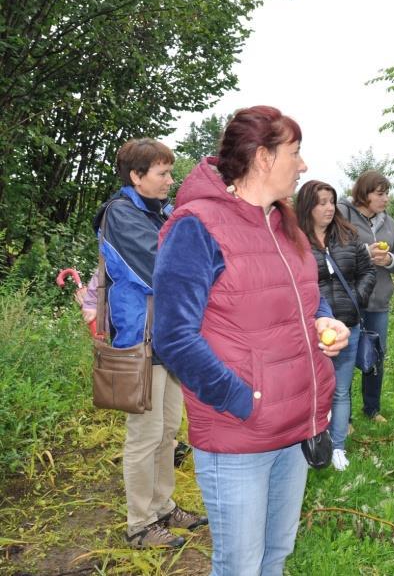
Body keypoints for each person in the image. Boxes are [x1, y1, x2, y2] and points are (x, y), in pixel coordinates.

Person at [152, 106, 347, 575]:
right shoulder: (195, 226)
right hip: (240, 430)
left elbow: (308, 297)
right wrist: (240, 399)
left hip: (296, 422)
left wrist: (328, 321)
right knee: (240, 565)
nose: (302, 166)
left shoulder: (285, 225)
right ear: (263, 157)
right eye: (295, 153)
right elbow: (173, 337)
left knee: (275, 556)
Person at [92, 138, 207, 549]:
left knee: (168, 432)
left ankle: (163, 506)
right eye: (162, 173)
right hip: (141, 340)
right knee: (144, 436)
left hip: (169, 339)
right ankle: (139, 524)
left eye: (170, 172)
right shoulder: (121, 215)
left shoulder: (160, 213)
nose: (169, 181)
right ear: (137, 176)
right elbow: (161, 266)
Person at [295, 180, 376, 472]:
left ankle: (338, 446)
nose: (329, 208)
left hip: (347, 325)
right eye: (321, 203)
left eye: (331, 201)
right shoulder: (294, 240)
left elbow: (368, 271)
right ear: (307, 206)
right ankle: (311, 441)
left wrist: (357, 297)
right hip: (311, 329)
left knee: (341, 390)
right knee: (310, 388)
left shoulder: (348, 236)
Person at [338, 171, 394, 423]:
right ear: (364, 194)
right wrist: (365, 252)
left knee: (375, 355)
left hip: (378, 300)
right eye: (380, 193)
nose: (386, 198)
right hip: (349, 300)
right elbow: (332, 251)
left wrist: (388, 260)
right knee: (345, 357)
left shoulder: (389, 224)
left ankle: (372, 409)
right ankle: (344, 417)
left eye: (387, 193)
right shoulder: (342, 216)